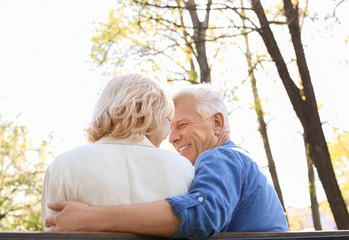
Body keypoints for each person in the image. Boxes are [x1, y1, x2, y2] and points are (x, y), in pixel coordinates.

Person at [44, 86, 289, 239]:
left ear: (217, 122)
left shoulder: (221, 157)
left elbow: (203, 214)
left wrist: (91, 218)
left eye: (182, 125)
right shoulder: (236, 160)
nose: (172, 138)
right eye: (170, 127)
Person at [41, 73, 194, 230]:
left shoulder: (64, 166)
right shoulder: (185, 169)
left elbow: (53, 230)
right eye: (168, 120)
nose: (169, 132)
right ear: (151, 115)